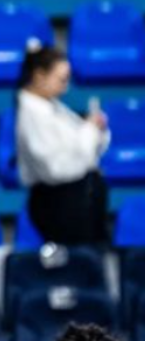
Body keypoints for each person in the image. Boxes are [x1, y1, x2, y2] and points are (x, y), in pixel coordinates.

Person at [16, 46, 111, 246]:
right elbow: (57, 169)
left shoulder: (52, 107)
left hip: (81, 202)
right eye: (61, 79)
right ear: (39, 75)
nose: (66, 87)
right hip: (61, 206)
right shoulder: (31, 115)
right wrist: (89, 130)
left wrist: (94, 129)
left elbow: (84, 149)